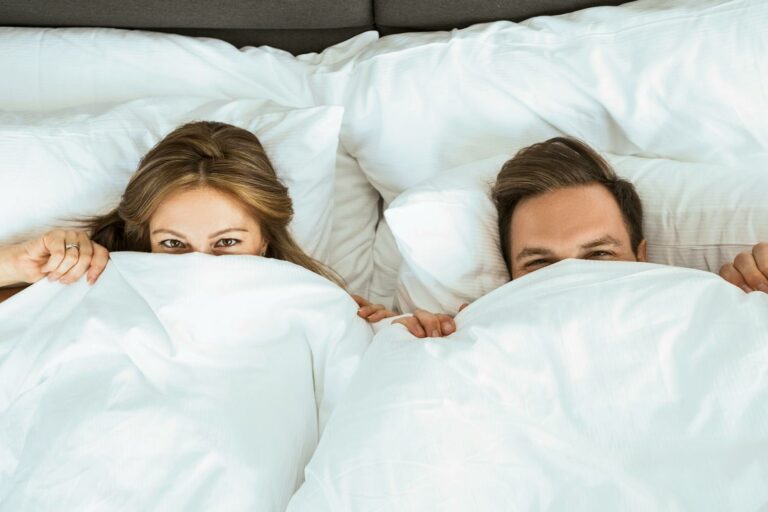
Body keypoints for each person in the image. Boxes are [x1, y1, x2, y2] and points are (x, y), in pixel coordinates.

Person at [0, 120, 390, 322]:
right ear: (146, 239)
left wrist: (396, 338)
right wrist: (15, 263)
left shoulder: (318, 307)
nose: (200, 265)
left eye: (227, 242)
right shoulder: (92, 286)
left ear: (264, 240)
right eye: (173, 244)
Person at [393, 137, 768, 338]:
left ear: (642, 256)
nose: (573, 278)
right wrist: (404, 342)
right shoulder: (465, 339)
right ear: (508, 278)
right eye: (540, 264)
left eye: (599, 255)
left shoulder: (714, 312)